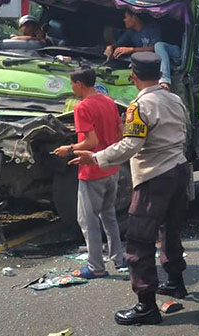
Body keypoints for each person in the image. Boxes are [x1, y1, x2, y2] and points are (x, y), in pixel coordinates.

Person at [69, 52, 191, 326]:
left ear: (133, 77)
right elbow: (187, 132)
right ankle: (176, 282)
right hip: (180, 171)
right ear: (159, 75)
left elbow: (131, 145)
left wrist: (96, 158)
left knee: (138, 240)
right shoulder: (175, 99)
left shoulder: (139, 105)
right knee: (169, 231)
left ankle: (146, 305)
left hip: (155, 176)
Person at [53, 68, 126, 279]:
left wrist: (67, 149)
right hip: (112, 166)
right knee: (109, 215)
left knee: (88, 220)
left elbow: (91, 142)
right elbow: (121, 131)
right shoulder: (108, 101)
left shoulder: (82, 107)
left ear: (80, 84)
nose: (71, 88)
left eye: (72, 84)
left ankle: (96, 267)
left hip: (92, 170)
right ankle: (119, 259)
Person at [103, 10, 179, 91]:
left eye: (126, 17)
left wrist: (131, 50)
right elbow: (118, 45)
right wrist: (110, 47)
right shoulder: (130, 33)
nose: (124, 20)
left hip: (173, 54)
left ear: (134, 17)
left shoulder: (152, 28)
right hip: (157, 62)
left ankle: (165, 81)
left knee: (158, 45)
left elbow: (155, 48)